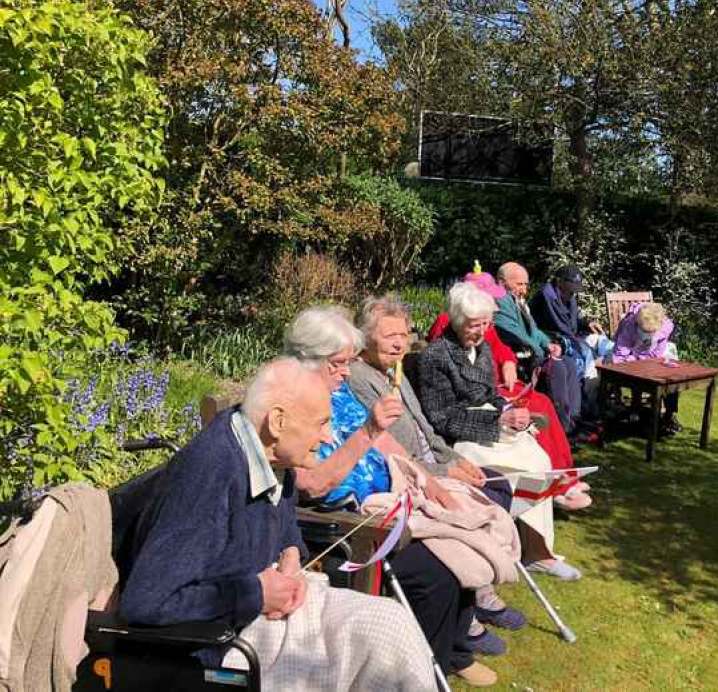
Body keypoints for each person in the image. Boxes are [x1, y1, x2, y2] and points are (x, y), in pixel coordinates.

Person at [118, 357, 436, 692]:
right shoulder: (210, 471)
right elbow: (147, 601)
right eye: (321, 423)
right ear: (278, 421)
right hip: (223, 643)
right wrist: (256, 593)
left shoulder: (273, 458)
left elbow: (284, 524)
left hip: (265, 609)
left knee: (390, 624)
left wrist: (291, 554)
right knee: (375, 650)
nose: (328, 437)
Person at [282, 307, 499, 687]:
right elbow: (311, 484)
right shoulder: (292, 405)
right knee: (437, 572)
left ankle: (447, 655)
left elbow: (383, 439)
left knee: (461, 537)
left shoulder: (336, 391)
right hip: (352, 527)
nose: (346, 371)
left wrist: (430, 485)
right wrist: (367, 431)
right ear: (307, 359)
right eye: (338, 363)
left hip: (394, 500)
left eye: (348, 362)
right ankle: (416, 673)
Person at [417, 282, 583, 581]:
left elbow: (489, 393)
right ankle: (518, 547)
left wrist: (507, 411)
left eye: (485, 324)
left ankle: (537, 550)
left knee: (539, 459)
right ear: (456, 321)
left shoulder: (479, 347)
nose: (481, 332)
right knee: (525, 467)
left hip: (491, 423)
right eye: (473, 325)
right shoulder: (435, 357)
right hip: (462, 436)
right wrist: (497, 423)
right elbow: (441, 418)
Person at [427, 271, 592, 509]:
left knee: (542, 402)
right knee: (536, 406)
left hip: (493, 389)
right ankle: (554, 484)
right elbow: (450, 386)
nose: (494, 305)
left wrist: (509, 362)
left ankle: (564, 475)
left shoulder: (482, 325)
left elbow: (500, 349)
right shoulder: (449, 330)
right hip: (480, 401)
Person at [494, 262, 587, 444]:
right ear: (502, 282)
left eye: (526, 284)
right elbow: (513, 331)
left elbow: (534, 330)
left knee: (568, 362)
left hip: (532, 350)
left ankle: (574, 420)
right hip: (518, 355)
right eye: (519, 284)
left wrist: (548, 344)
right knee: (559, 368)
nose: (524, 289)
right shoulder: (500, 302)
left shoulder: (516, 300)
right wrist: (540, 350)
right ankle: (563, 428)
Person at [529, 265, 614, 421]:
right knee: (586, 355)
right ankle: (588, 406)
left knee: (608, 345)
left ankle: (605, 396)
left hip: (572, 335)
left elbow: (571, 322)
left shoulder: (568, 296)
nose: (573, 292)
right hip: (555, 340)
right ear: (560, 282)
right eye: (571, 287)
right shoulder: (545, 297)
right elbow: (546, 326)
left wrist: (587, 324)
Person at [612, 302, 682, 435]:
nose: (646, 334)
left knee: (672, 379)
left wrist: (646, 360)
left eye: (650, 332)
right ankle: (635, 409)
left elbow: (657, 353)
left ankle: (668, 416)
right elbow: (620, 355)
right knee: (636, 376)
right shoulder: (629, 325)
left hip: (650, 357)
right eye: (643, 331)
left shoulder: (666, 327)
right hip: (628, 357)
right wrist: (635, 361)